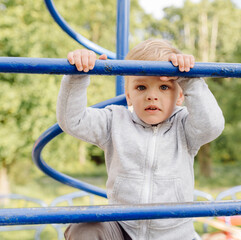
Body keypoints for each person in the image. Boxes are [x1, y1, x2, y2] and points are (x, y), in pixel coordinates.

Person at [57, 39, 225, 240]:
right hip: (123, 228)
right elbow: (73, 121)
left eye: (164, 87)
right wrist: (77, 76)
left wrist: (190, 79)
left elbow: (212, 126)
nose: (151, 96)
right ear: (128, 95)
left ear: (180, 96)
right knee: (85, 227)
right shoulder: (114, 121)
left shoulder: (184, 126)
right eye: (141, 87)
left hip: (175, 234)